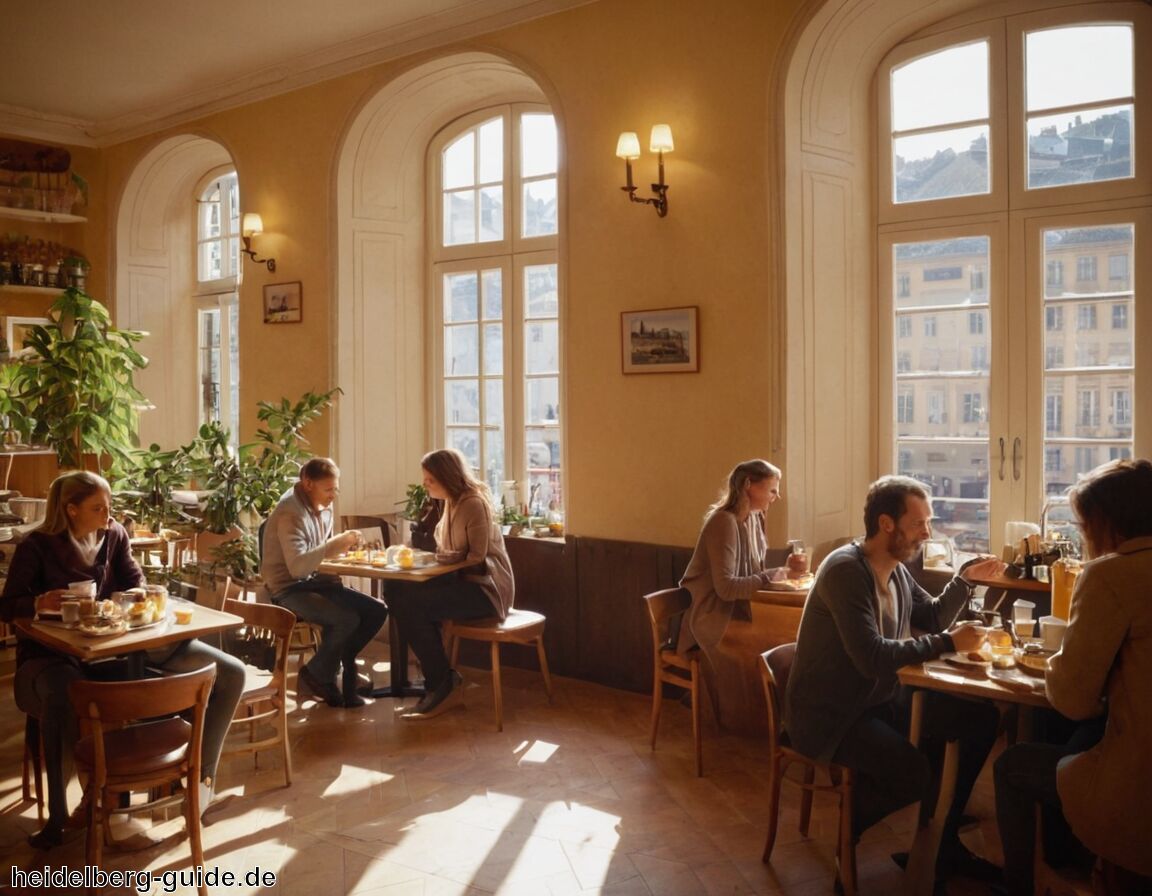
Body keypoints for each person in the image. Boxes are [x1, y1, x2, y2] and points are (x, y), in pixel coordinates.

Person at [0, 471, 245, 848]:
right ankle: (61, 819)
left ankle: (200, 783)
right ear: (71, 510)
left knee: (230, 673)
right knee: (65, 694)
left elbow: (136, 582)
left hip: (120, 648)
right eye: (98, 507)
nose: (108, 514)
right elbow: (7, 606)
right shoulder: (39, 545)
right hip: (51, 656)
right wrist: (37, 602)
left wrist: (137, 594)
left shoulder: (114, 536)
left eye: (109, 505)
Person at [783, 475, 1004, 884]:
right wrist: (948, 642)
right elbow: (872, 658)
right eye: (919, 523)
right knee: (914, 773)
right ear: (887, 524)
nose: (927, 532)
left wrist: (966, 579)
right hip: (831, 716)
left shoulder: (896, 570)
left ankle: (942, 842)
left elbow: (934, 616)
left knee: (979, 721)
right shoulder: (846, 570)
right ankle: (849, 835)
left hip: (876, 701)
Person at [994, 459, 1152, 895]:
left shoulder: (1110, 574)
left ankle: (1020, 886)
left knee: (1012, 765)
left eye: (1084, 525)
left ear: (1105, 523)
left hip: (1140, 786)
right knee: (1069, 736)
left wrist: (1056, 661)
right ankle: (1074, 863)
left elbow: (1073, 698)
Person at [387, 448, 514, 719]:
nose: (425, 484)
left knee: (412, 605)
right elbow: (449, 550)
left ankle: (441, 682)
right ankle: (439, 677)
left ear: (446, 477)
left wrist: (440, 559)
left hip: (486, 588)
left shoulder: (472, 503)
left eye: (429, 479)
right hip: (464, 581)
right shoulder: (452, 502)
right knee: (397, 592)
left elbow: (476, 557)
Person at [677, 459, 804, 711]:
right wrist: (771, 576)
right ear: (749, 485)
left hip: (737, 609)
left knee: (787, 639)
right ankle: (742, 714)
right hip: (712, 615)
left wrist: (783, 570)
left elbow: (753, 574)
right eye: (772, 490)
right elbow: (726, 589)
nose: (776, 497)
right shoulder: (723, 522)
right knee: (770, 646)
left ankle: (769, 718)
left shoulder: (754, 519)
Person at [261, 457, 388, 708]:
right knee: (346, 619)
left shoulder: (322, 506)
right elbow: (297, 568)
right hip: (288, 588)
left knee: (376, 610)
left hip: (318, 582)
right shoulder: (290, 512)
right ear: (308, 484)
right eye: (328, 489)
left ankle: (326, 670)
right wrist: (333, 546)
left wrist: (346, 549)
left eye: (336, 488)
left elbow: (319, 554)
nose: (334, 495)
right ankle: (320, 675)